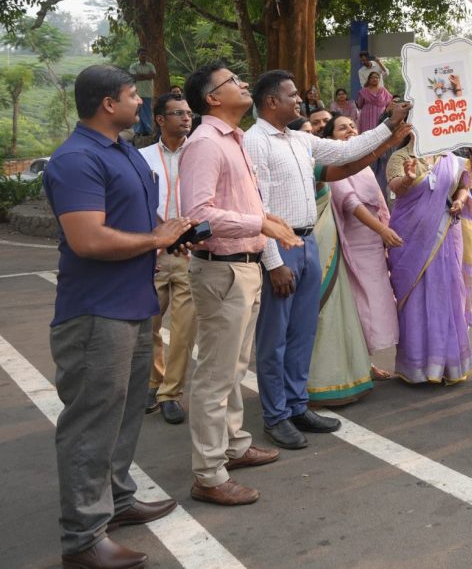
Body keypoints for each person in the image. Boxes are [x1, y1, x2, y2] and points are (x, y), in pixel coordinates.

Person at [43, 65, 189, 569]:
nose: (140, 104)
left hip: (133, 305)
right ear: (109, 103)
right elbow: (88, 239)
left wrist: (173, 235)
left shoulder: (123, 150)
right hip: (95, 314)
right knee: (90, 422)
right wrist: (157, 239)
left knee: (124, 412)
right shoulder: (76, 159)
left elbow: (137, 219)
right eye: (133, 96)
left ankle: (118, 500)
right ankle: (82, 538)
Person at [244, 70, 407, 450]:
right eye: (292, 95)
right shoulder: (255, 143)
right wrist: (273, 262)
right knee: (275, 337)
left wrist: (388, 124)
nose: (300, 100)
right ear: (271, 102)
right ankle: (276, 415)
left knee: (302, 331)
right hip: (281, 248)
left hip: (307, 244)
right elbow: (259, 207)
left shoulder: (300, 140)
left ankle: (298, 405)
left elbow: (348, 152)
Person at [180, 61, 301, 506]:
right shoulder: (206, 143)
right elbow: (198, 215)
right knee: (216, 375)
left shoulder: (233, 139)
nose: (243, 83)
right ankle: (209, 474)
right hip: (222, 269)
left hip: (242, 266)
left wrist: (264, 221)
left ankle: (233, 446)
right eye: (232, 81)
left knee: (233, 367)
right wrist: (259, 223)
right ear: (212, 98)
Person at [309, 113, 407, 399]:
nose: (350, 130)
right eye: (342, 128)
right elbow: (350, 203)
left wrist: (384, 230)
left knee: (376, 301)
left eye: (352, 125)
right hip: (354, 240)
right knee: (358, 303)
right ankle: (362, 362)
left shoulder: (361, 165)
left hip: (373, 241)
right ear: (330, 138)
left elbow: (378, 200)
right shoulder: (335, 164)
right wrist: (382, 230)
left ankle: (367, 359)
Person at [387, 141, 472, 383]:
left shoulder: (451, 158)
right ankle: (416, 367)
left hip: (446, 232)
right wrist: (407, 178)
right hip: (410, 236)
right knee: (415, 298)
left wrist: (460, 200)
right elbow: (396, 187)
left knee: (446, 293)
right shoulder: (400, 156)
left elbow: (464, 185)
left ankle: (448, 364)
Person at [139, 92, 196, 425]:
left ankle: (171, 393)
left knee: (184, 329)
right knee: (148, 324)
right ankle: (153, 380)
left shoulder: (201, 152)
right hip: (155, 253)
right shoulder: (142, 157)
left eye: (188, 113)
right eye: (177, 113)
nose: (186, 118)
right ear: (160, 119)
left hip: (190, 253)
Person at [128, 47, 156, 136]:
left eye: (145, 54)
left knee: (147, 111)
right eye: (141, 54)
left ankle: (148, 130)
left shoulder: (151, 66)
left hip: (148, 92)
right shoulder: (133, 66)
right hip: (137, 93)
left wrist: (140, 76)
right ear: (138, 55)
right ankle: (138, 131)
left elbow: (153, 75)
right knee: (137, 111)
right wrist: (147, 76)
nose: (143, 56)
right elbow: (134, 77)